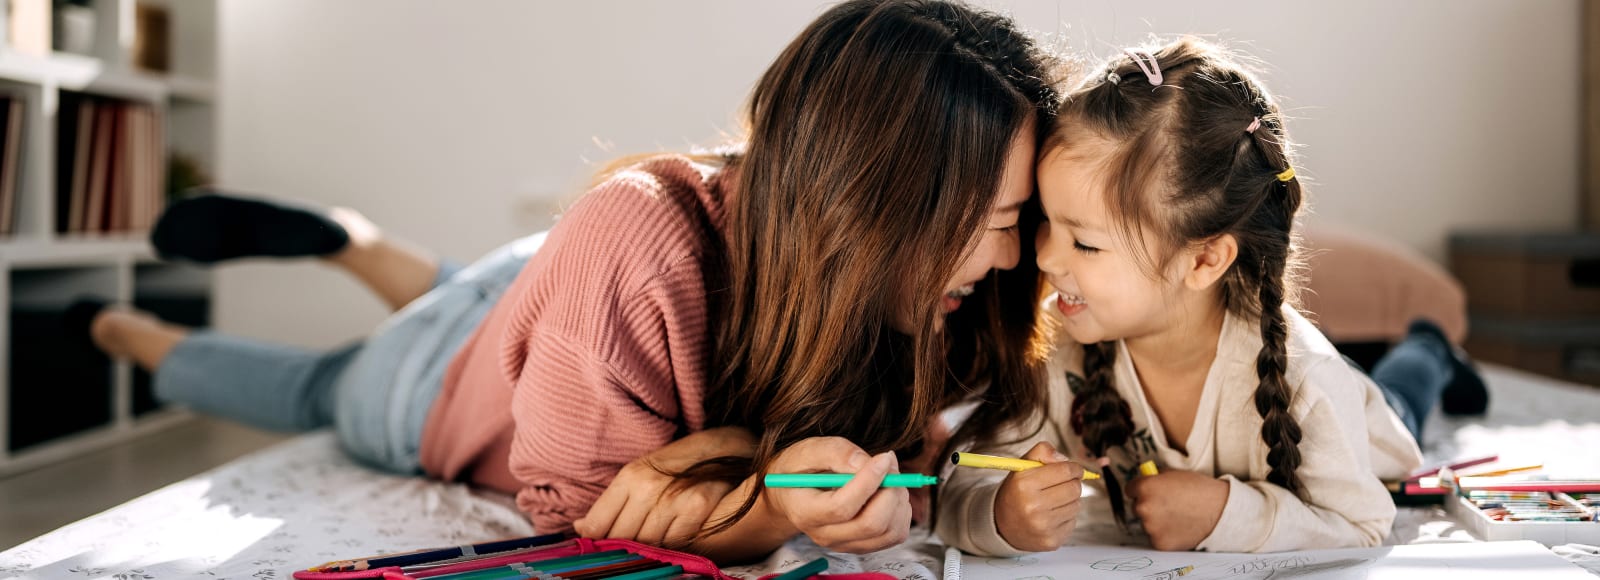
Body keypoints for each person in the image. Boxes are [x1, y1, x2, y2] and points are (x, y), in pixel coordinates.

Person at [78, 0, 1062, 563]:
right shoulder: (634, 234)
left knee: (470, 284)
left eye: (1017, 223)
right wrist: (768, 499)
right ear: (869, 204)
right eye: (991, 228)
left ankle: (348, 240)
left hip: (550, 294)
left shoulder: (906, 286)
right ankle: (125, 330)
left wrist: (733, 453)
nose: (1010, 259)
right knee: (323, 382)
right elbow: (588, 512)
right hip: (447, 377)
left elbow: (906, 449)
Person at [936, 38, 1489, 556]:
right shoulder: (1057, 347)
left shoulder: (1311, 382)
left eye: (1083, 242)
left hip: (1363, 417)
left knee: (1399, 397)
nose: (1046, 259)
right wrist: (1002, 515)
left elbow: (1365, 525)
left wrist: (1226, 513)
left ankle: (1429, 350)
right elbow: (963, 483)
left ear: (1201, 260)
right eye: (1045, 224)